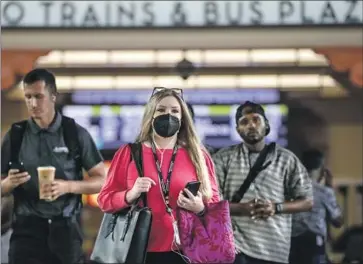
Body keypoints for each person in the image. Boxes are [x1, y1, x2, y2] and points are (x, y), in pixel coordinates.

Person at [97, 87, 220, 264]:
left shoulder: (198, 155)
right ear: (150, 115)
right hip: (139, 250)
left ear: (183, 118)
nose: (168, 115)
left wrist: (200, 207)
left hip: (187, 250)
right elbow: (104, 200)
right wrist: (130, 194)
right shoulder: (129, 153)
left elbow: (214, 204)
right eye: (161, 110)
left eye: (175, 111)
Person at [1, 68, 106, 264]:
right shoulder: (15, 136)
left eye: (39, 96)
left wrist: (68, 186)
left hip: (66, 230)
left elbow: (102, 180)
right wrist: (6, 185)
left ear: (53, 96)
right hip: (25, 231)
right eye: (28, 97)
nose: (33, 103)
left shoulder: (75, 134)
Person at [213, 101, 313, 264]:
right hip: (235, 248)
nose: (251, 125)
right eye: (244, 122)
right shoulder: (223, 158)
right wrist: (241, 208)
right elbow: (211, 204)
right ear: (238, 130)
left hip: (274, 250)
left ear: (266, 124)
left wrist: (275, 207)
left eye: (256, 120)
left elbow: (307, 202)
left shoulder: (286, 159)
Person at [290, 149, 343, 264]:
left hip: (291, 246)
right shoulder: (324, 192)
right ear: (322, 169)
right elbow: (338, 222)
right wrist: (330, 189)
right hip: (314, 245)